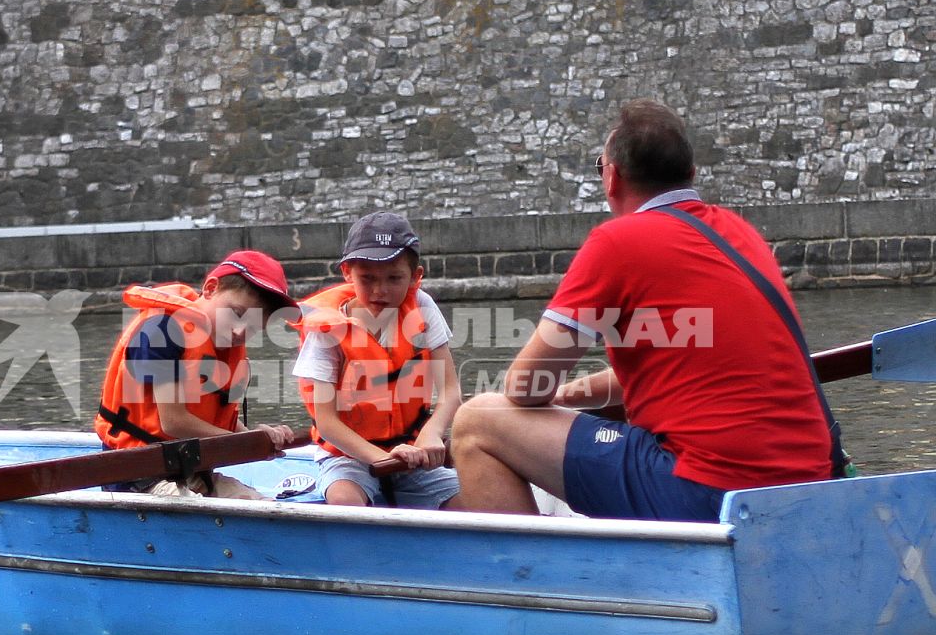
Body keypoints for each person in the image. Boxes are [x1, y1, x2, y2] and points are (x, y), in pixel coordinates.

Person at [449, 99, 844, 522]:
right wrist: (569, 396)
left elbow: (524, 387)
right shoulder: (739, 233)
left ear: (612, 178)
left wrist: (548, 399)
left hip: (708, 488)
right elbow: (685, 368)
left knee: (478, 422)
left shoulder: (617, 243)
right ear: (690, 175)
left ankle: (535, 583)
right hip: (807, 483)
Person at [94, 251, 298, 499]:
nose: (240, 331)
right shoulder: (163, 332)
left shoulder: (226, 349)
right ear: (211, 288)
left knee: (261, 506)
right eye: (236, 313)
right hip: (135, 474)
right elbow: (174, 422)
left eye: (255, 327)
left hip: (188, 468)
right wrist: (248, 443)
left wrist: (257, 437)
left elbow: (219, 421)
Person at [294, 213, 462, 510]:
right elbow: (327, 423)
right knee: (345, 502)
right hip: (347, 454)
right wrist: (384, 459)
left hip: (413, 448)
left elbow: (450, 392)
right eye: (367, 278)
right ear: (347, 272)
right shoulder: (327, 328)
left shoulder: (422, 306)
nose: (379, 291)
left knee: (472, 502)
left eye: (394, 278)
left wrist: (431, 435)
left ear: (415, 276)